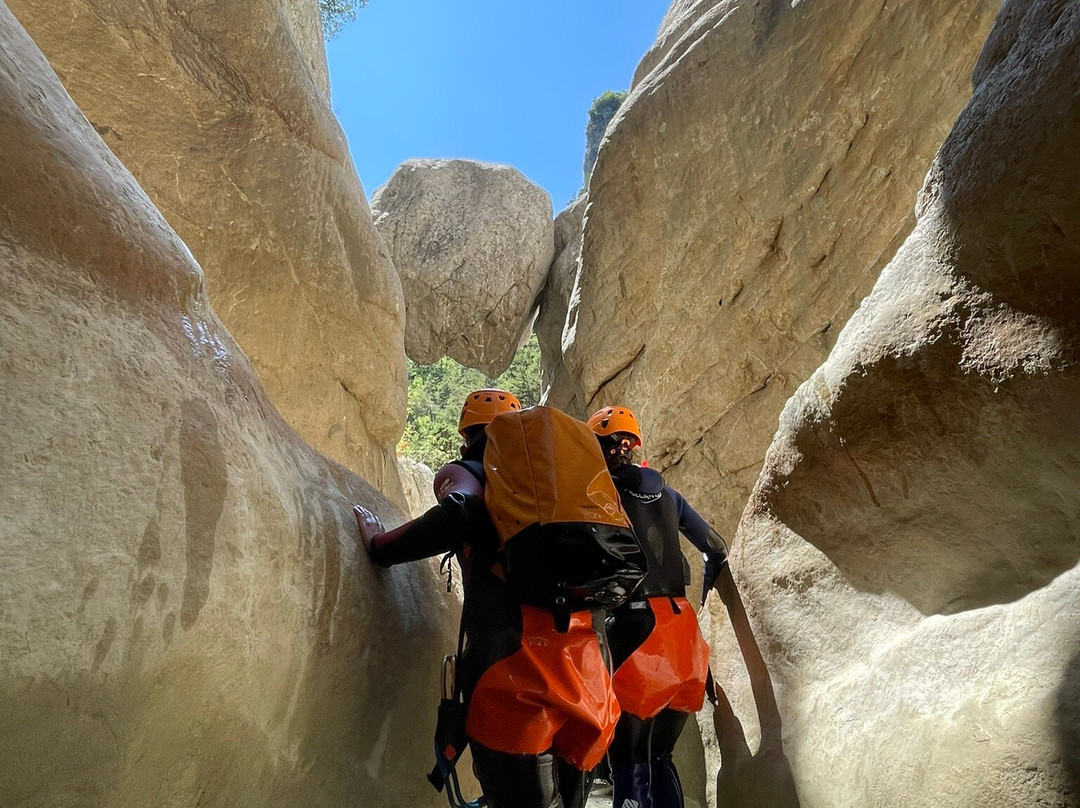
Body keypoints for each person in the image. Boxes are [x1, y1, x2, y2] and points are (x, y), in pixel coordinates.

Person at [354, 390, 619, 808]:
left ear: (467, 436)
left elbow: (460, 511)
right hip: (585, 663)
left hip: (513, 667)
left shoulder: (469, 469)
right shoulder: (557, 481)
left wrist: (380, 546)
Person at [587, 405, 730, 808]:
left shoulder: (597, 495)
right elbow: (715, 548)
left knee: (629, 760)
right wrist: (704, 602)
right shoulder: (669, 494)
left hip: (634, 631)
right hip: (684, 635)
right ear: (632, 446)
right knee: (659, 755)